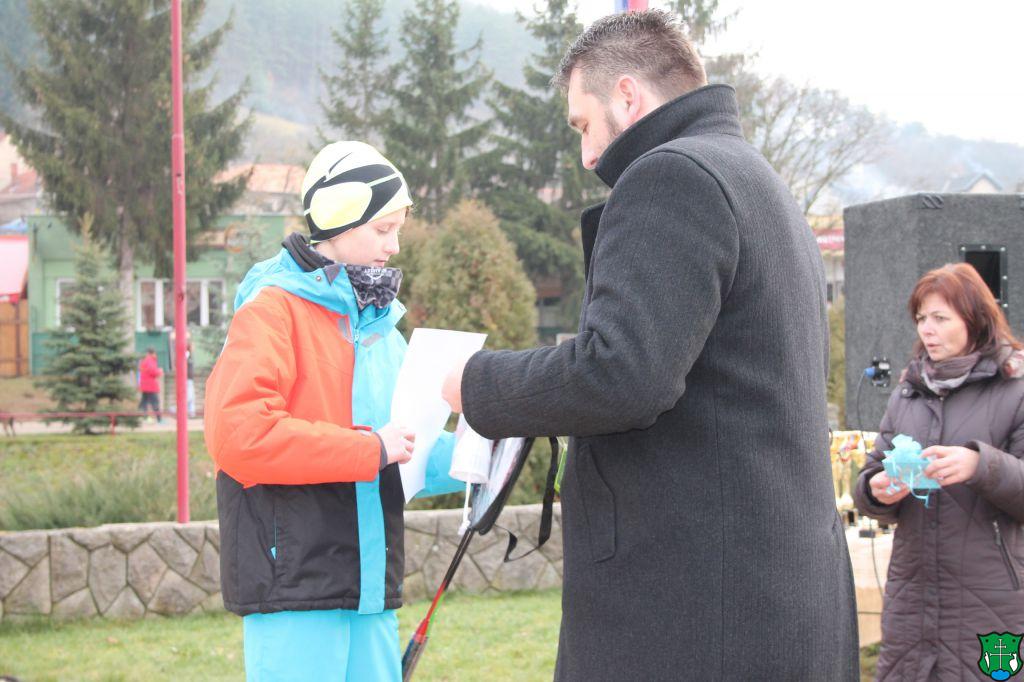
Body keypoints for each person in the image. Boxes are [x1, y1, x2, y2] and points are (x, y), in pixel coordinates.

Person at [441, 9, 858, 681]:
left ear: (627, 95)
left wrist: (476, 383)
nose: (586, 156)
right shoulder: (758, 181)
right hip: (764, 595)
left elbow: (621, 373)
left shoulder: (672, 176)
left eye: (582, 124)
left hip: (695, 611)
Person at [204, 141, 462, 681]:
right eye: (383, 229)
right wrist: (368, 449)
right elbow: (239, 436)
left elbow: (404, 446)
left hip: (370, 594)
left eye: (398, 230)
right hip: (294, 590)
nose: (394, 246)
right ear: (339, 220)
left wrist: (479, 454)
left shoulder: (381, 328)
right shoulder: (271, 310)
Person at [854, 263, 1024, 681]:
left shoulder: (1016, 389)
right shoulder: (907, 394)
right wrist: (876, 490)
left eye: (940, 318)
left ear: (975, 320)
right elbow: (870, 479)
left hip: (991, 606)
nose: (926, 329)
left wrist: (980, 465)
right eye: (921, 318)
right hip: (913, 604)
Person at [138, 347, 163, 423]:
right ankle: (159, 419)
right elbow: (152, 371)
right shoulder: (150, 360)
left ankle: (144, 417)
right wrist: (159, 371)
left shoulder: (145, 360)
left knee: (144, 402)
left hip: (145, 385)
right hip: (150, 386)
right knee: (155, 402)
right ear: (153, 353)